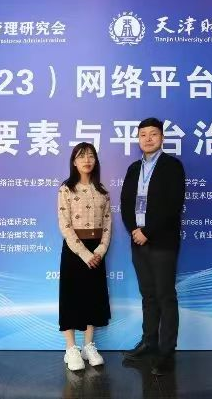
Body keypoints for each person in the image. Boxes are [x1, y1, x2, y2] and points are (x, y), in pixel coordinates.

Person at [120, 117, 186, 375]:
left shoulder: (172, 166)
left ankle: (166, 352)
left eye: (153, 134)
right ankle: (149, 342)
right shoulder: (134, 168)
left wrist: (147, 231)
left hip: (162, 242)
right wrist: (134, 231)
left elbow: (173, 205)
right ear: (138, 139)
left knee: (165, 296)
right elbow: (125, 203)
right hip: (138, 241)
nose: (148, 139)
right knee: (148, 295)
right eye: (143, 135)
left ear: (162, 138)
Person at [57, 142, 112, 371]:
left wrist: (100, 250)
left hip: (96, 251)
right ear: (74, 162)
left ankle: (88, 346)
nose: (86, 160)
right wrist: (84, 253)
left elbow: (108, 223)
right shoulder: (66, 189)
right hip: (74, 250)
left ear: (95, 161)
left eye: (90, 156)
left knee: (93, 297)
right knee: (71, 298)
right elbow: (65, 225)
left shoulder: (102, 190)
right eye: (81, 156)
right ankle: (71, 349)